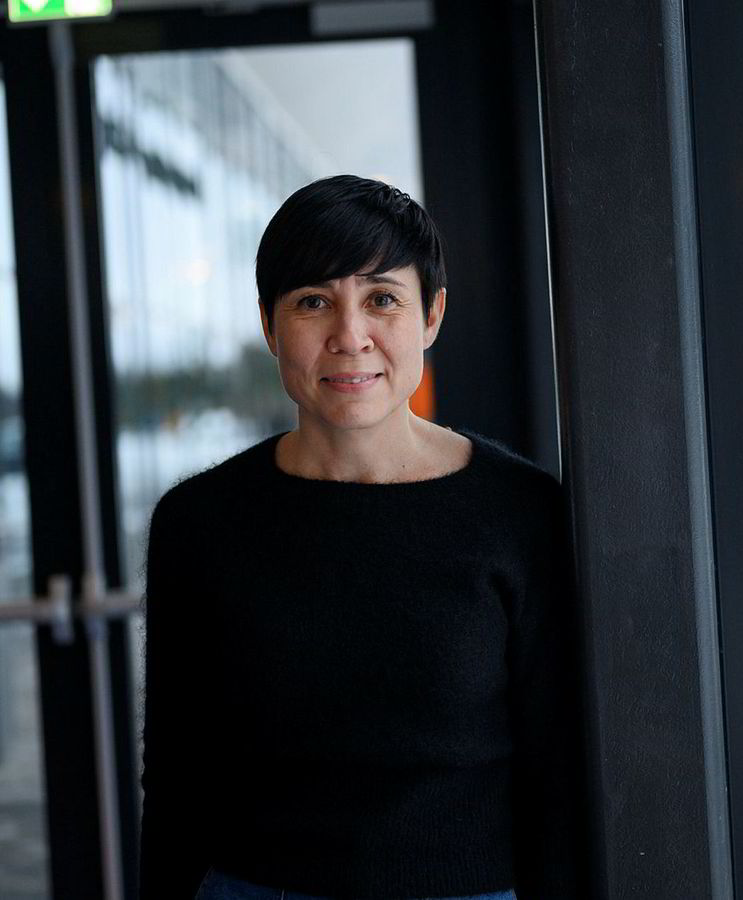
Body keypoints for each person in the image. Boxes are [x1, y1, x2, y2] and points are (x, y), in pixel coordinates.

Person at [137, 175, 589, 900]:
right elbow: (177, 772)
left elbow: (559, 770)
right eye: (313, 302)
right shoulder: (198, 522)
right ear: (270, 326)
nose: (350, 337)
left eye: (382, 299)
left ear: (431, 316)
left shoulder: (521, 513)